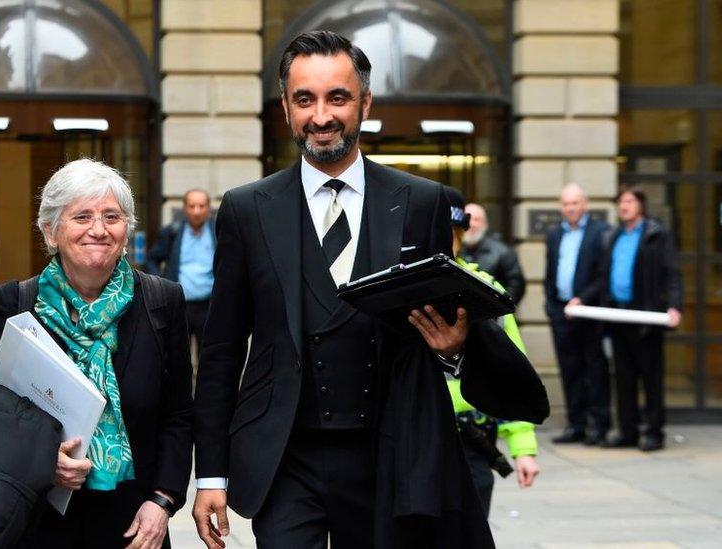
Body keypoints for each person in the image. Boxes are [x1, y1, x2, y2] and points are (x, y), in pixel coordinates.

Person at [191, 31, 548, 549]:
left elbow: (445, 322)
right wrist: (211, 476)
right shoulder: (247, 210)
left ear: (365, 103)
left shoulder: (422, 202)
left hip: (387, 454)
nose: (321, 116)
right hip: (285, 457)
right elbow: (222, 352)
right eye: (304, 99)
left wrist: (454, 353)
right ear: (286, 108)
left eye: (337, 97)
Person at [0, 158, 194, 547]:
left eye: (112, 216)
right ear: (51, 231)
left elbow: (178, 413)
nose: (99, 229)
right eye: (82, 217)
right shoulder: (15, 304)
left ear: (126, 232)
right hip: (35, 518)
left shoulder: (162, 302)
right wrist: (42, 460)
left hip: (132, 524)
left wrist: (163, 500)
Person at [445, 186, 539, 517]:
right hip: (415, 436)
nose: (447, 241)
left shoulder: (486, 292)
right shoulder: (399, 286)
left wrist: (522, 446)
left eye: (454, 233)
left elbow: (511, 372)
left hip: (473, 436)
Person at [598, 186, 682, 452]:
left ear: (641, 205)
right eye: (621, 202)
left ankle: (654, 432)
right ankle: (628, 430)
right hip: (618, 315)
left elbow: (672, 273)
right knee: (623, 377)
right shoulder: (613, 235)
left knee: (651, 377)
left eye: (630, 201)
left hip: (646, 316)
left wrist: (674, 306)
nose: (624, 206)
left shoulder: (656, 235)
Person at [543, 183, 612, 445]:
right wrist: (551, 306)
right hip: (561, 312)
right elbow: (551, 273)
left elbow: (602, 275)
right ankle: (576, 424)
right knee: (570, 370)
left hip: (589, 311)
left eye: (575, 203)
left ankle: (599, 425)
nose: (570, 208)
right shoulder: (554, 235)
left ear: (585, 204)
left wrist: (582, 299)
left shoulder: (600, 233)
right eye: (565, 204)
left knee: (595, 370)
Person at [146, 188, 215, 355]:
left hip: (210, 307)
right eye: (192, 206)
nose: (196, 211)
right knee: (177, 355)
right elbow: (152, 258)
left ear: (209, 208)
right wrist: (159, 284)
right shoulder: (172, 232)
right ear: (185, 208)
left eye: (201, 206)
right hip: (179, 306)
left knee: (209, 356)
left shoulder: (218, 231)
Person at [460, 202, 526, 304]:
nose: (471, 224)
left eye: (477, 219)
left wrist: (499, 307)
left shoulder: (503, 252)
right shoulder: (453, 249)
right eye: (468, 218)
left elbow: (516, 286)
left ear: (485, 224)